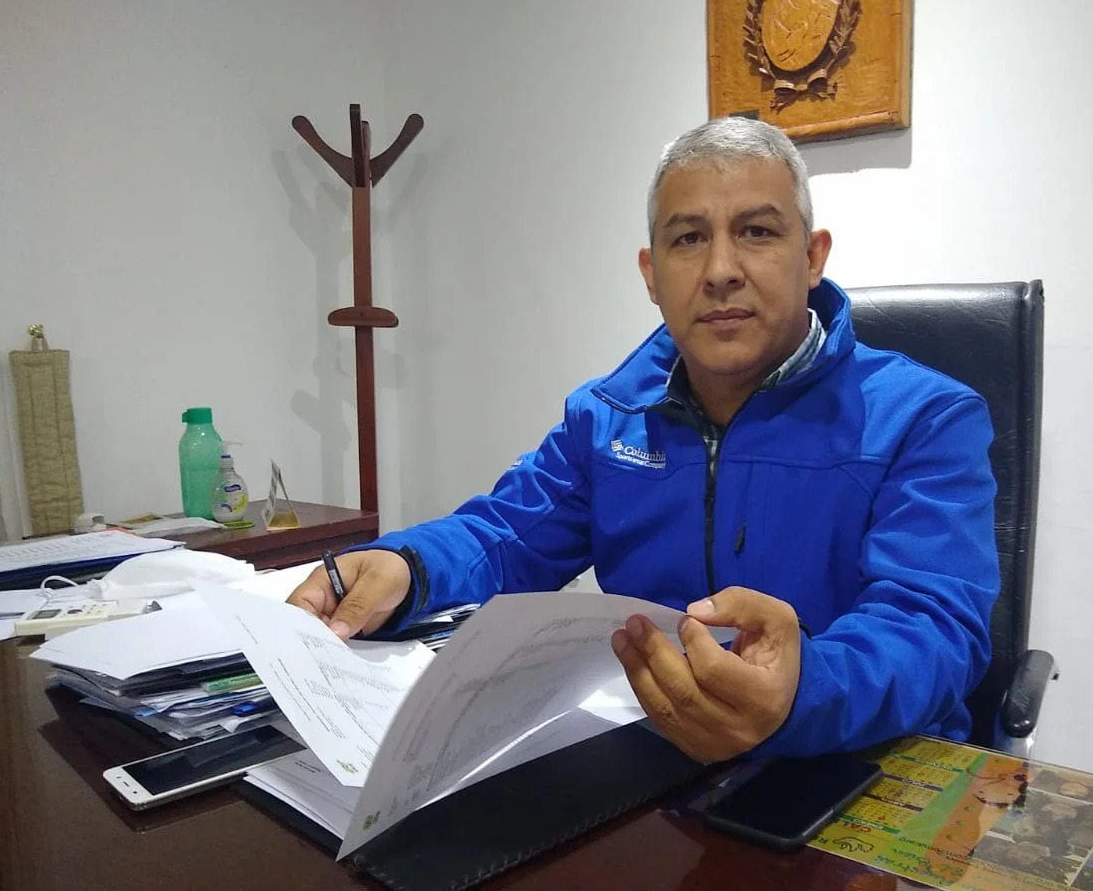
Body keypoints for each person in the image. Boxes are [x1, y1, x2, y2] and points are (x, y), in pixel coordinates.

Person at [289, 116, 1000, 763]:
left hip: (857, 769)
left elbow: (933, 628)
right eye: (688, 239)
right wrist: (407, 564)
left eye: (757, 231)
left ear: (813, 258)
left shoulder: (925, 418)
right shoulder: (606, 417)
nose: (720, 271)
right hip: (659, 760)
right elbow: (504, 536)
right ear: (651, 274)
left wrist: (804, 686)